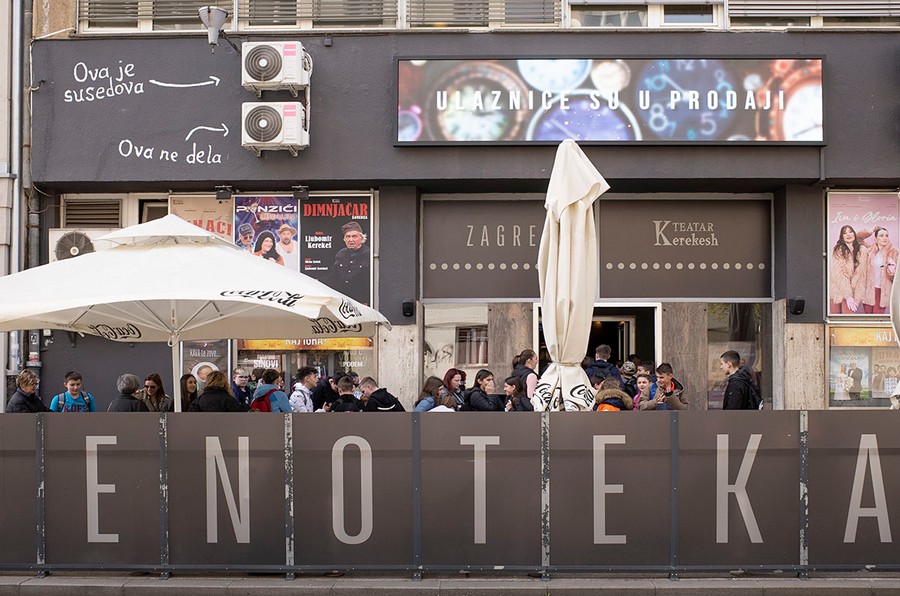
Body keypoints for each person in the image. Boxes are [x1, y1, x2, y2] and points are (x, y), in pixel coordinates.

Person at [830, 225, 869, 314]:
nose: (848, 234)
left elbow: (862, 276)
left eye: (850, 231)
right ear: (842, 237)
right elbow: (839, 274)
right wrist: (848, 296)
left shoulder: (862, 250)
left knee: (848, 317)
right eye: (845, 233)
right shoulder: (838, 250)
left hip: (854, 290)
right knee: (835, 318)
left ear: (854, 234)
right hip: (837, 288)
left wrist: (857, 298)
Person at [859, 226, 898, 314]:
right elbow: (857, 239)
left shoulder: (894, 252)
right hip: (868, 291)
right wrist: (871, 231)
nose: (885, 238)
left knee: (877, 318)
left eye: (886, 235)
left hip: (882, 292)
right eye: (881, 235)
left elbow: (897, 279)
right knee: (868, 318)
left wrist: (892, 271)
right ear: (875, 239)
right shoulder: (870, 250)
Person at [332, 221, 371, 305]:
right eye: (348, 236)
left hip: (362, 301)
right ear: (344, 239)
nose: (351, 240)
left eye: (354, 236)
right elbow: (334, 277)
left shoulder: (369, 254)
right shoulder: (341, 254)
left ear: (362, 238)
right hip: (343, 301)